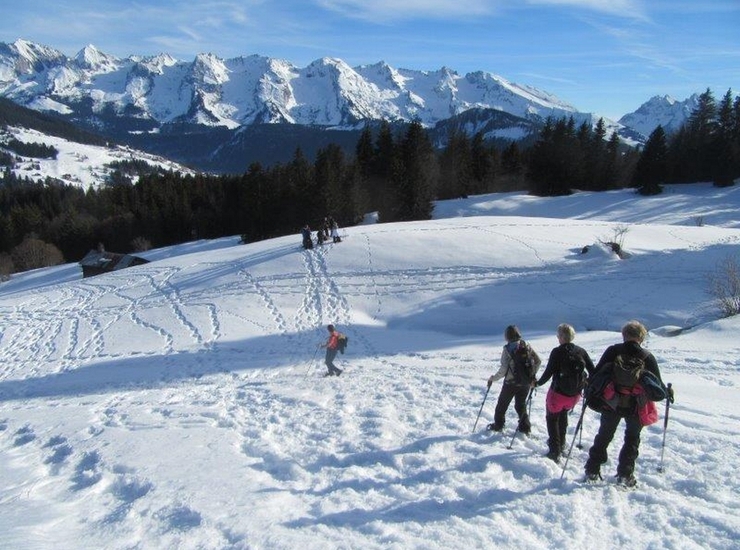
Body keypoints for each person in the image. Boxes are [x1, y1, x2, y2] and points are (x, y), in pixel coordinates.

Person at [584, 320, 663, 487]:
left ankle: (592, 469)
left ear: (624, 335)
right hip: (636, 405)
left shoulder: (613, 351)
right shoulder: (647, 357)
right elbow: (658, 385)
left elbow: (597, 375)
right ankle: (625, 474)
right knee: (632, 438)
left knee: (604, 435)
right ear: (641, 337)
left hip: (610, 403)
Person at [534, 323, 595, 462]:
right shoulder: (581, 351)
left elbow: (548, 372)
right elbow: (593, 371)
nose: (557, 337)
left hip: (558, 394)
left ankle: (554, 450)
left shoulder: (557, 352)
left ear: (562, 337)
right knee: (563, 415)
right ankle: (561, 443)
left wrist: (537, 383)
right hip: (575, 395)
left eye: (558, 335)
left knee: (552, 419)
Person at [486, 325, 541, 434]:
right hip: (525, 382)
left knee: (502, 405)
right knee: (520, 405)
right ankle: (525, 427)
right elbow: (538, 361)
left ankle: (499, 425)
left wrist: (493, 378)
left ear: (507, 336)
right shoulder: (526, 345)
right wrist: (531, 375)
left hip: (511, 383)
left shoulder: (507, 349)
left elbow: (504, 369)